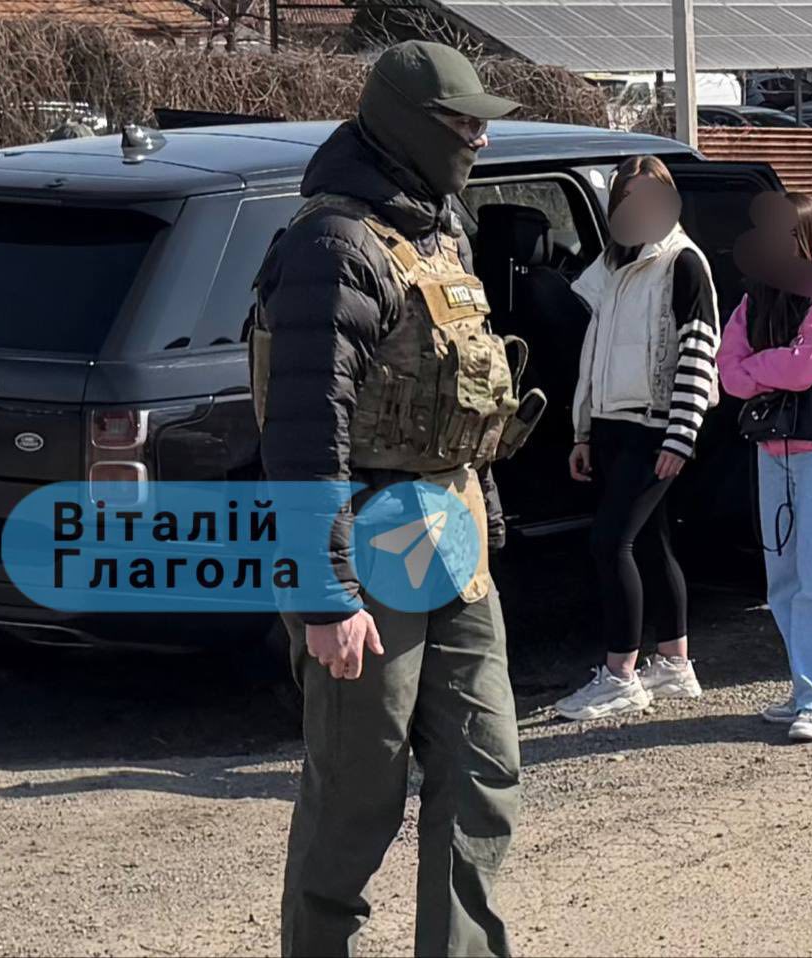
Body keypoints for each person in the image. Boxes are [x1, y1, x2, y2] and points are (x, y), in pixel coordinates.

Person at [251, 41, 542, 958]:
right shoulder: (331, 246)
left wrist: (487, 514)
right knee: (357, 793)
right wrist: (325, 597)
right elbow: (306, 434)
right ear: (409, 126)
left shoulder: (440, 230)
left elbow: (464, 398)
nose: (479, 141)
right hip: (368, 553)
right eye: (463, 124)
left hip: (452, 542)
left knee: (484, 772)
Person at [556, 155, 719, 722]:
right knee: (650, 541)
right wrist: (583, 430)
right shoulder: (613, 266)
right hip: (612, 425)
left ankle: (620, 674)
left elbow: (700, 350)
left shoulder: (682, 262)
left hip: (655, 427)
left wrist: (681, 436)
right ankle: (674, 663)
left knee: (611, 542)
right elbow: (594, 357)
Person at [719, 192, 812, 741]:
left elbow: (809, 364)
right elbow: (726, 368)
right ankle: (806, 686)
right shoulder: (761, 284)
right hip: (773, 446)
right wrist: (765, 369)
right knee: (782, 580)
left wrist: (755, 369)